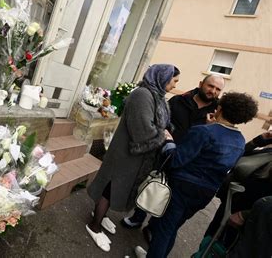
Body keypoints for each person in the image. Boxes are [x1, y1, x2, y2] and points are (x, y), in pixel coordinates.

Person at [136, 92, 258, 258]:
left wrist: (169, 141)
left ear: (219, 108)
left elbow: (176, 160)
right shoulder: (239, 141)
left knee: (164, 229)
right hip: (206, 193)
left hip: (182, 187)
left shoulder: (203, 131)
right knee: (172, 228)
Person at [85, 64, 180, 252]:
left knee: (117, 188)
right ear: (163, 77)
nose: (175, 86)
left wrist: (165, 132)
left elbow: (158, 124)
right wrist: (163, 136)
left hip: (135, 156)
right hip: (124, 154)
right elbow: (142, 130)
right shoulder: (143, 95)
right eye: (174, 81)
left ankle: (100, 216)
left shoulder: (156, 95)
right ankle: (94, 226)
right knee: (110, 187)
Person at [122, 74, 225, 230]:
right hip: (164, 151)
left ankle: (153, 228)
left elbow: (218, 140)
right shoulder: (179, 100)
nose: (213, 91)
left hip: (189, 160)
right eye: (210, 86)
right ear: (201, 83)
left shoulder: (218, 112)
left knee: (173, 197)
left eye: (218, 89)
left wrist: (211, 127)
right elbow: (160, 120)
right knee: (152, 183)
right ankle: (138, 217)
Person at [203, 129, 272, 243]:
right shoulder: (268, 151)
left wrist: (245, 214)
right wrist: (258, 141)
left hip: (246, 217)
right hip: (231, 205)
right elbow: (238, 158)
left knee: (221, 248)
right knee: (208, 241)